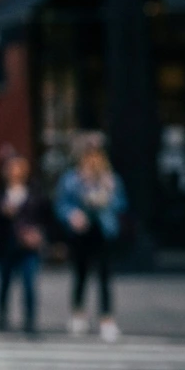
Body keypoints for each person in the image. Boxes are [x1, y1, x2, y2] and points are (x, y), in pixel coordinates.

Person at [56, 144, 128, 342]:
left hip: (103, 231)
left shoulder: (110, 179)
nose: (91, 162)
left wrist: (107, 198)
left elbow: (122, 203)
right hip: (81, 232)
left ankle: (107, 319)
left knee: (105, 276)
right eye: (88, 158)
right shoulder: (71, 180)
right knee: (80, 274)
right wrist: (72, 215)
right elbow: (61, 204)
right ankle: (78, 314)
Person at [0, 154, 45, 334]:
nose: (15, 172)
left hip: (28, 247)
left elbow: (44, 215)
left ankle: (30, 321)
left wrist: (37, 233)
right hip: (6, 244)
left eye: (19, 168)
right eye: (11, 168)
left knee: (29, 283)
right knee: (4, 283)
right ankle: (1, 317)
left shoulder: (34, 191)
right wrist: (1, 212)